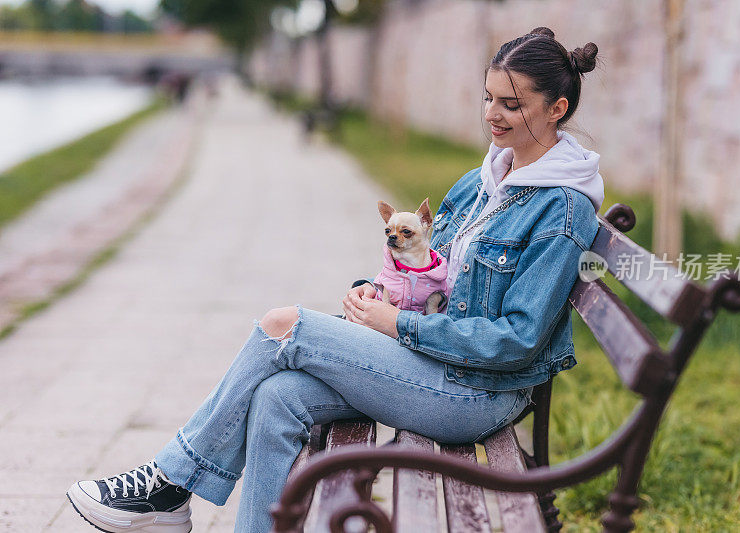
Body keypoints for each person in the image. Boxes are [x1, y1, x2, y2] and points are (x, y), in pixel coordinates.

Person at [66, 26, 604, 533]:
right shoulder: (482, 179)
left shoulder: (561, 208)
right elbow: (425, 269)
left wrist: (400, 327)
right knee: (279, 396)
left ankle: (168, 485)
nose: (493, 114)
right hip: (437, 364)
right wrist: (376, 291)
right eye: (488, 98)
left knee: (285, 326)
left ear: (557, 108)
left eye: (512, 104)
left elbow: (516, 340)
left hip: (478, 392)